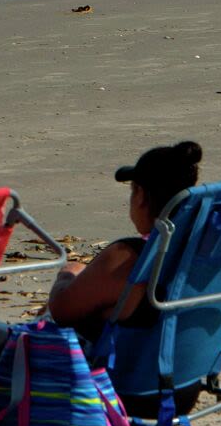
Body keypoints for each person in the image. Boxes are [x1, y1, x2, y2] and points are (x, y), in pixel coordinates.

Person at [46, 141, 204, 348]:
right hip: (185, 360)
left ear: (139, 195)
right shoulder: (204, 251)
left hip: (121, 369)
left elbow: (62, 310)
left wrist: (67, 274)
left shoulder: (128, 258)